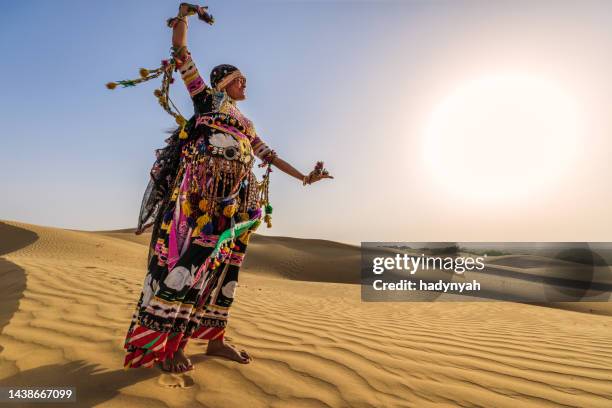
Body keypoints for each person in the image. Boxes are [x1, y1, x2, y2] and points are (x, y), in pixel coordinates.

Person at [121, 3, 333, 373]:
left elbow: (269, 154)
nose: (246, 83)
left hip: (237, 206)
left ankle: (214, 339)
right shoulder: (206, 100)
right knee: (188, 267)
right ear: (223, 82)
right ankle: (167, 345)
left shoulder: (246, 124)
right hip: (198, 203)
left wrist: (303, 177)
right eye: (240, 79)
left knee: (224, 273)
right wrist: (184, 17)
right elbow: (182, 54)